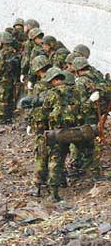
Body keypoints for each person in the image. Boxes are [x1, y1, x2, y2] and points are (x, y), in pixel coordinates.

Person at [41, 67, 81, 201]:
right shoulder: (75, 92)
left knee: (54, 159)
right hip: (71, 131)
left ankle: (53, 193)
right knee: (64, 155)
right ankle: (63, 180)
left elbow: (44, 112)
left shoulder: (52, 94)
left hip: (56, 132)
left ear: (54, 80)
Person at [22, 55, 52, 196]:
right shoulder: (58, 81)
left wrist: (29, 122)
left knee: (41, 153)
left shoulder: (41, 85)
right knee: (57, 152)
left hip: (42, 124)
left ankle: (38, 184)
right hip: (57, 123)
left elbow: (34, 105)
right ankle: (58, 179)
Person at [73, 57, 106, 179]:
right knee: (92, 141)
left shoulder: (81, 82)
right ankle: (90, 169)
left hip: (86, 117)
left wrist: (90, 101)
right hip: (94, 116)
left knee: (88, 143)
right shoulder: (95, 77)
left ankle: (89, 170)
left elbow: (82, 106)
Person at [0, 32, 20, 124]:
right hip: (11, 77)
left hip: (4, 77)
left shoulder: (3, 51)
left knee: (2, 97)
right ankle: (8, 116)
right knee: (9, 96)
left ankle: (1, 118)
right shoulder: (14, 50)